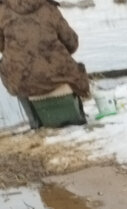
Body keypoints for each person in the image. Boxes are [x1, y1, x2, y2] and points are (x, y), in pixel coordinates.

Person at [0, 0, 90, 128]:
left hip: (22, 78)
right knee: (74, 70)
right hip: (57, 73)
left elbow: (2, 46)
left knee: (11, 71)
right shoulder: (49, 7)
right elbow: (72, 42)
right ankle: (77, 117)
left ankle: (35, 122)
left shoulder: (2, 11)